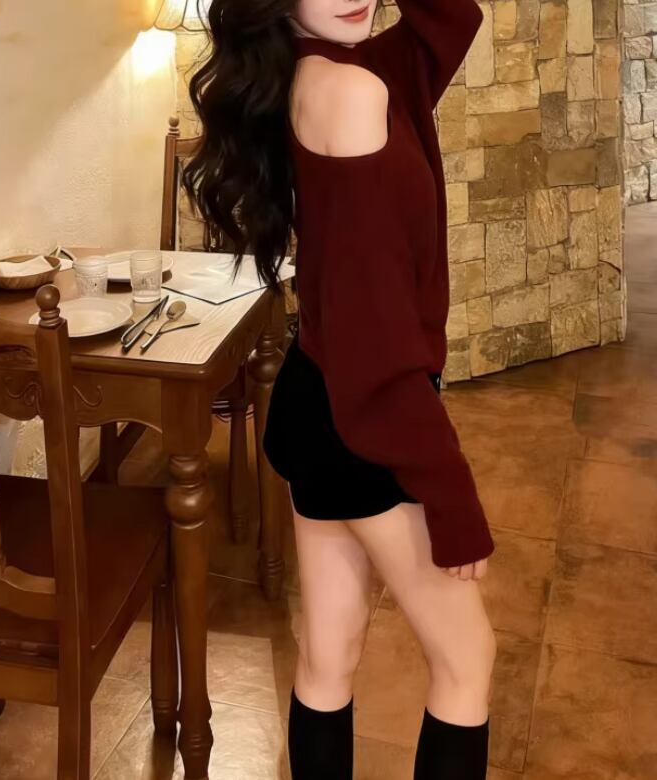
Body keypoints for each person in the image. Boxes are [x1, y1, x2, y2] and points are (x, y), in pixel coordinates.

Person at [182, 1, 496, 777]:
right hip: (362, 419)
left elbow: (452, 20)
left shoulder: (323, 72)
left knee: (328, 656)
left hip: (316, 401)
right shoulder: (351, 93)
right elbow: (377, 345)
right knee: (467, 661)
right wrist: (449, 493)